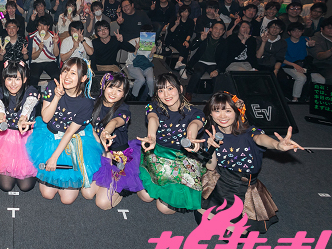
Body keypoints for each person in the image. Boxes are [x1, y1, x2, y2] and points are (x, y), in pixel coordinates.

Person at [198, 92, 303, 233]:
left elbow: (261, 139)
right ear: (210, 114)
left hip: (244, 186)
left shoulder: (249, 131)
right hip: (221, 181)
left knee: (235, 235)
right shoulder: (210, 134)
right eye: (217, 111)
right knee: (201, 218)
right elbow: (211, 167)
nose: (222, 116)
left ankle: (223, 221)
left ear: (237, 112)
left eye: (228, 111)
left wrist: (277, 145)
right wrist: (211, 148)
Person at [26, 58, 102, 205]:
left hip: (72, 141)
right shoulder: (52, 86)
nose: (67, 76)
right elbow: (46, 118)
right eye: (65, 71)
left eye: (73, 73)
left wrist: (54, 158)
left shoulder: (86, 102)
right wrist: (57, 96)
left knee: (67, 200)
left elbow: (69, 133)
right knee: (47, 194)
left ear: (83, 78)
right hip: (50, 136)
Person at [137, 73, 206, 214]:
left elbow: (194, 124)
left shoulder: (195, 112)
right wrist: (152, 136)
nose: (166, 94)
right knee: (146, 196)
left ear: (180, 89)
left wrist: (191, 138)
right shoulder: (153, 106)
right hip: (158, 154)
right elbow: (153, 119)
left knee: (163, 208)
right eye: (161, 90)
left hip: (182, 159)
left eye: (170, 88)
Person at [86, 73, 143, 210]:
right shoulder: (93, 103)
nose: (113, 93)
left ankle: (121, 189)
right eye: (111, 87)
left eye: (119, 90)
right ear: (103, 86)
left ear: (124, 94)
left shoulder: (124, 109)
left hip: (118, 157)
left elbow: (116, 121)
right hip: (98, 153)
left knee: (102, 203)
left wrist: (106, 132)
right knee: (87, 194)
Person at [0, 61, 40, 192]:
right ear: (4, 78)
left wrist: (23, 119)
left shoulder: (31, 91)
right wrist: (1, 118)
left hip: (27, 139)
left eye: (17, 79)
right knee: (6, 186)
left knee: (26, 186)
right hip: (5, 138)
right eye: (9, 78)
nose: (13, 83)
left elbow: (29, 104)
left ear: (25, 79)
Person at [183, 22, 228, 100]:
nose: (218, 31)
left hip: (214, 64)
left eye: (221, 29)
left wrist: (217, 70)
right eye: (216, 28)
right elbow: (191, 47)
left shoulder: (224, 42)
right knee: (198, 73)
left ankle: (217, 97)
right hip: (200, 61)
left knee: (218, 78)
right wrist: (200, 39)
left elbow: (224, 59)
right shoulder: (204, 37)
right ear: (211, 29)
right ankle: (189, 92)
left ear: (223, 32)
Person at [283, 22, 325, 101]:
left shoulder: (305, 39)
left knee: (321, 79)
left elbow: (309, 44)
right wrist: (294, 65)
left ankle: (315, 100)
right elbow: (280, 58)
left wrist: (311, 45)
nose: (297, 33)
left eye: (299, 31)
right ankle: (295, 99)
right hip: (288, 66)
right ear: (289, 32)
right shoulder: (284, 42)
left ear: (302, 31)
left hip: (303, 65)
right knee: (301, 78)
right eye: (294, 31)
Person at [28, 17, 60, 88]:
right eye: (40, 25)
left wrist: (55, 43)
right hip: (36, 62)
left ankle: (55, 92)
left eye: (44, 25)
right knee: (34, 76)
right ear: (37, 27)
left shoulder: (53, 36)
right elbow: (33, 57)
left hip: (50, 61)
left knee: (56, 76)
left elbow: (56, 54)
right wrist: (39, 50)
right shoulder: (34, 37)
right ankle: (33, 93)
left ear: (48, 26)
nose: (42, 28)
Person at [166, 5, 196, 72]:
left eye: (186, 12)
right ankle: (182, 69)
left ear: (189, 13)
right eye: (182, 12)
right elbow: (170, 32)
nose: (184, 13)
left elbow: (190, 33)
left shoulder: (190, 21)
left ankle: (180, 64)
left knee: (186, 45)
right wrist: (176, 25)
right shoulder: (175, 19)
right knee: (185, 47)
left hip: (183, 40)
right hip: (173, 39)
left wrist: (186, 40)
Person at [309, 17, 332, 83]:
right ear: (321, 29)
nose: (331, 30)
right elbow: (319, 56)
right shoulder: (315, 39)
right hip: (322, 65)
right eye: (329, 28)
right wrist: (330, 51)